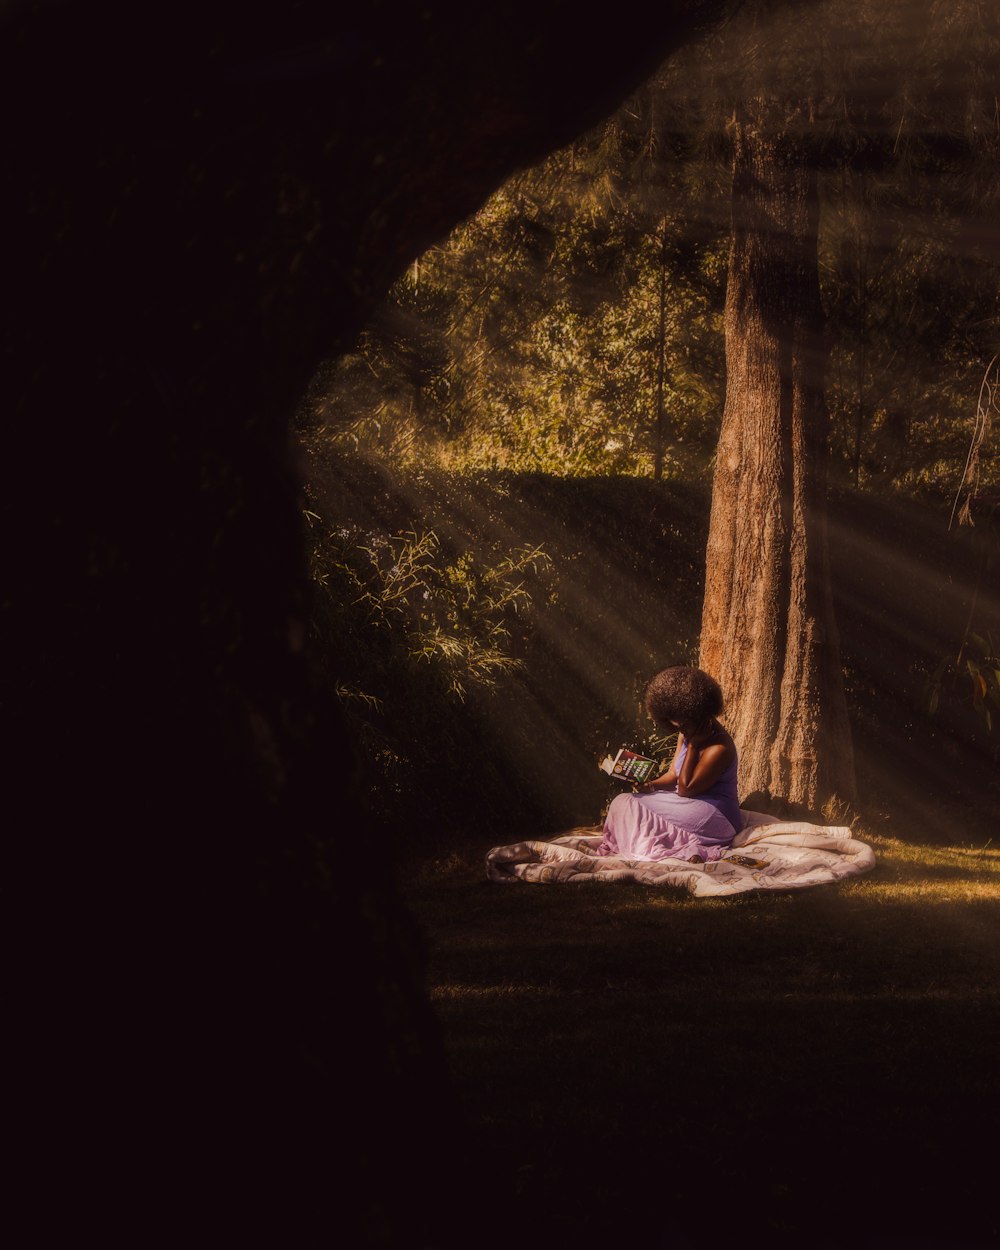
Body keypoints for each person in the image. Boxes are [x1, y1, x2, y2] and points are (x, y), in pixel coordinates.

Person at [596, 665, 741, 864]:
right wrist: (652, 785)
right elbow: (674, 774)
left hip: (716, 815)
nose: (681, 730)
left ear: (699, 714)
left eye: (684, 725)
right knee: (625, 801)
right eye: (677, 726)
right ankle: (680, 846)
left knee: (627, 803)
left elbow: (685, 789)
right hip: (686, 803)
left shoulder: (719, 748)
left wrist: (693, 746)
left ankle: (669, 848)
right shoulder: (687, 732)